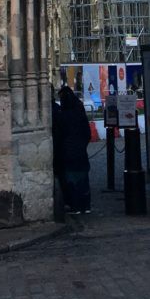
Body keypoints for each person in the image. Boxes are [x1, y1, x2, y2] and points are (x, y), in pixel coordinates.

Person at [57, 85, 92, 214]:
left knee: (72, 179)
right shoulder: (79, 110)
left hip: (69, 151)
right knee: (83, 178)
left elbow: (61, 133)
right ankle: (85, 205)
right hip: (80, 150)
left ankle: (75, 205)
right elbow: (87, 132)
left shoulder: (64, 114)